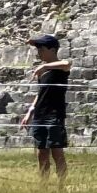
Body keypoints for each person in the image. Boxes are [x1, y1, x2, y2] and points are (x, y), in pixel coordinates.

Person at [18, 34, 71, 184]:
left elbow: (67, 63)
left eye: (41, 48)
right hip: (40, 115)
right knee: (41, 153)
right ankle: (44, 186)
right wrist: (30, 112)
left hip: (54, 115)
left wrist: (45, 66)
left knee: (57, 152)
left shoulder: (60, 69)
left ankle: (62, 185)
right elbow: (40, 93)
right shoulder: (43, 72)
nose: (38, 52)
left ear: (52, 50)